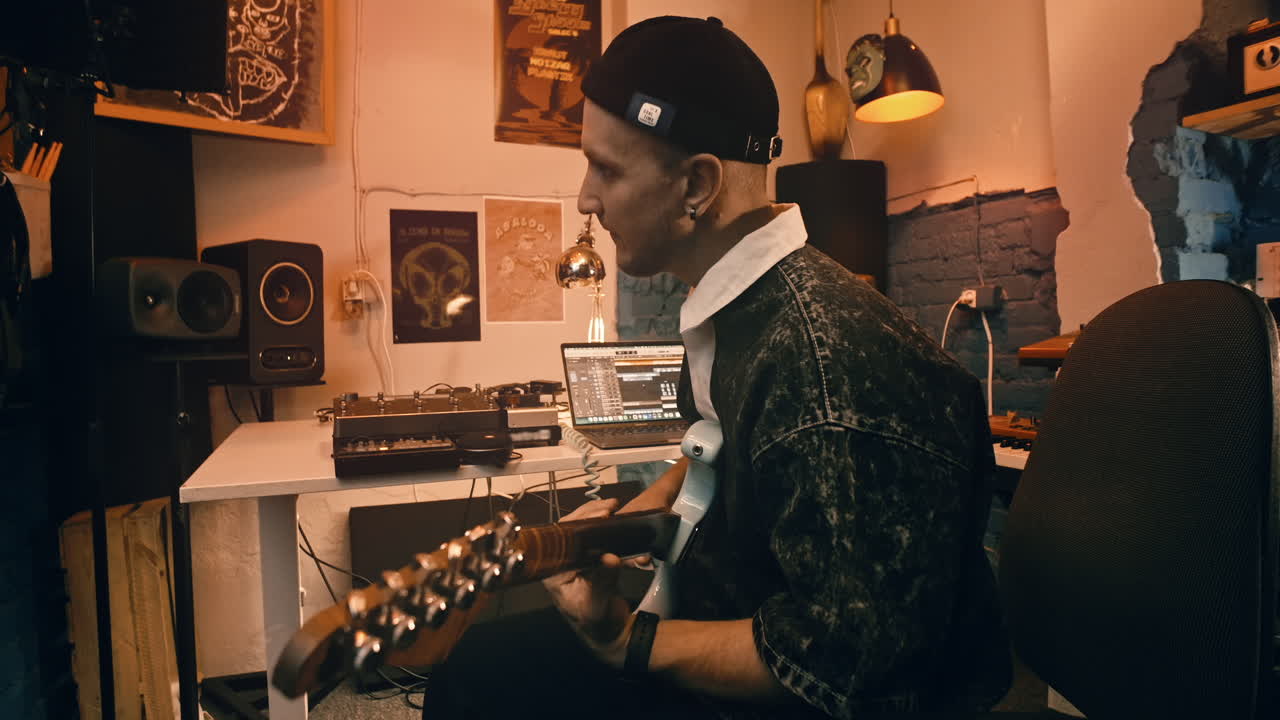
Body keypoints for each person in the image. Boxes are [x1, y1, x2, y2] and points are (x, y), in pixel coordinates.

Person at [422, 16, 1009, 719]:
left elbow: (844, 664)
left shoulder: (819, 366)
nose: (585, 198)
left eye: (605, 168)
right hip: (733, 618)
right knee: (477, 664)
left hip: (812, 694)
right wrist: (642, 514)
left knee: (480, 687)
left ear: (696, 185)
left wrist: (629, 643)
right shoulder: (742, 308)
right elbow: (729, 448)